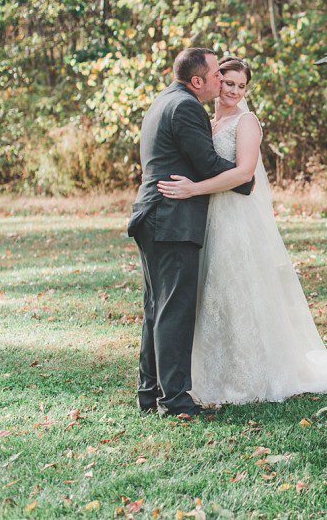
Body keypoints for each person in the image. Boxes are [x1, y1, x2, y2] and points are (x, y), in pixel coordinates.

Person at [157, 57, 327, 404]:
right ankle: (210, 374)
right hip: (210, 216)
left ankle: (252, 376)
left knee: (237, 290)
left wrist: (193, 190)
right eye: (228, 82)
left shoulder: (247, 123)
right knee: (212, 294)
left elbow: (245, 174)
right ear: (216, 82)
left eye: (241, 86)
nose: (234, 90)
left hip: (237, 218)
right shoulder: (209, 122)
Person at [127, 48, 255, 417]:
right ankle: (176, 400)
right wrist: (246, 181)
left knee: (157, 309)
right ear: (197, 80)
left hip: (156, 216)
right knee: (174, 311)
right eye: (217, 74)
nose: (221, 80)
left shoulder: (164, 100)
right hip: (171, 218)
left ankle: (149, 394)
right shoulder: (185, 108)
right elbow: (208, 164)